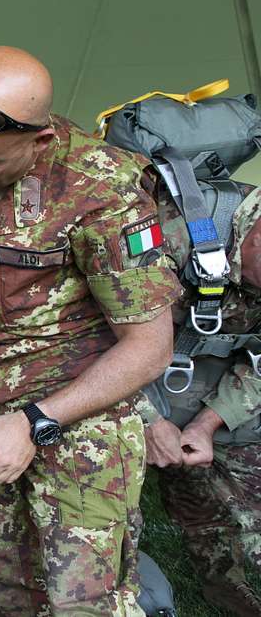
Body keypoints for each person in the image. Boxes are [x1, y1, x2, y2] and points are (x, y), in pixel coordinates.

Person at [0, 46, 182, 614]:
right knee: (11, 578)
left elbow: (150, 347)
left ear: (37, 141)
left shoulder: (103, 193)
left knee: (82, 598)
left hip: (79, 418)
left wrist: (35, 422)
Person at [137, 186, 261, 616]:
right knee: (94, 501)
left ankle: (224, 584)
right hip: (111, 379)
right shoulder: (168, 232)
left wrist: (206, 425)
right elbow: (87, 335)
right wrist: (149, 421)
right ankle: (28, 593)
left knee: (219, 500)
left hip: (208, 384)